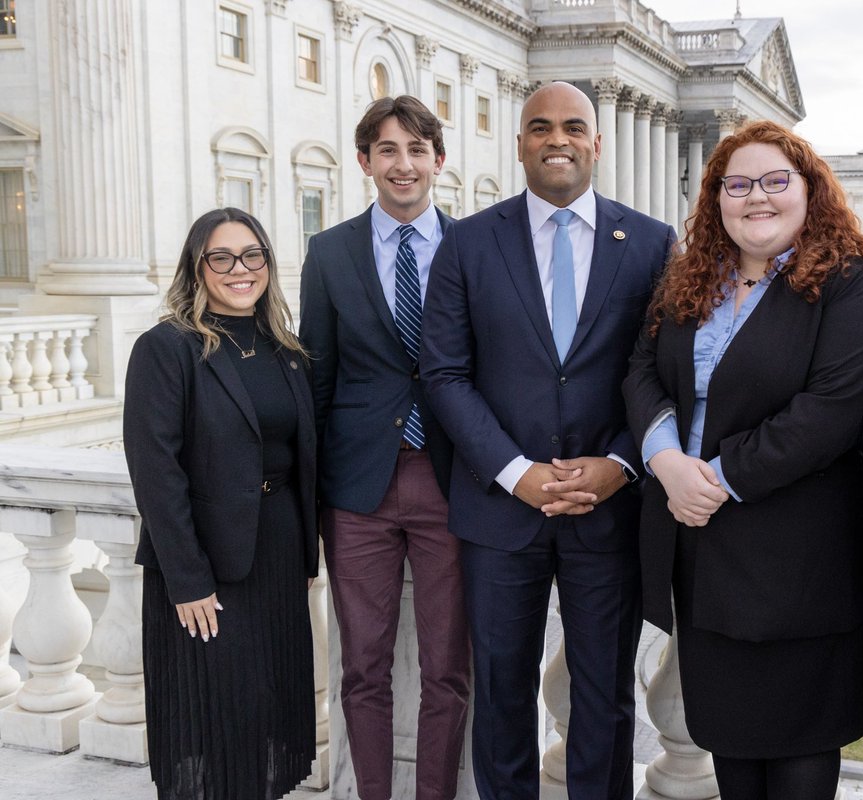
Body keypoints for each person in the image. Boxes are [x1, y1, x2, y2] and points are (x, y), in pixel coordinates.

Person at [623, 120, 863, 799]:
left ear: (809, 190)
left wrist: (712, 479)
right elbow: (640, 373)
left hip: (798, 561)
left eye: (776, 181)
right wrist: (666, 462)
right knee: (730, 741)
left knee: (799, 745)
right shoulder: (691, 278)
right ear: (716, 198)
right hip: (703, 556)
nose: (756, 198)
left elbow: (829, 409)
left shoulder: (846, 281)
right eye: (737, 184)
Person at [421, 81, 675, 799]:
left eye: (572, 126)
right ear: (520, 142)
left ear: (596, 141)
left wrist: (622, 465)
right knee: (501, 697)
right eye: (539, 126)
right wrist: (515, 472)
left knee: (605, 698)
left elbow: (667, 375)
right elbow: (443, 375)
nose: (555, 138)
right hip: (500, 516)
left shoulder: (652, 242)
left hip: (609, 513)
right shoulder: (468, 242)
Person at [299, 95, 469, 800]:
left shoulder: (475, 245)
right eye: (388, 151)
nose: (404, 165)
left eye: (417, 150)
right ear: (365, 162)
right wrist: (309, 508)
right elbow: (318, 376)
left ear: (438, 160)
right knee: (362, 666)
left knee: (448, 668)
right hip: (358, 490)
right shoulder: (329, 251)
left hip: (452, 481)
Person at [124, 207, 318, 800]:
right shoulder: (167, 348)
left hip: (278, 553)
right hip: (205, 568)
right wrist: (186, 580)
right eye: (222, 257)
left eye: (252, 255)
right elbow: (156, 472)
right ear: (198, 267)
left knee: (270, 710)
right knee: (213, 722)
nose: (241, 269)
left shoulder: (285, 348)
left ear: (268, 263)